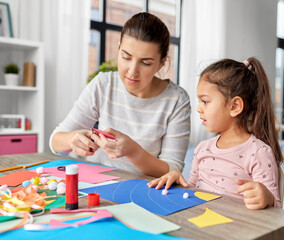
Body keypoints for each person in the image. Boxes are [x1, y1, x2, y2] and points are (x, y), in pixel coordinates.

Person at [50, 12, 191, 178]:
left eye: (145, 63)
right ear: (118, 49)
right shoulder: (103, 85)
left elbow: (173, 169)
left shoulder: (177, 100)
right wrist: (72, 139)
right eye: (126, 57)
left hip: (150, 190)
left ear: (161, 63)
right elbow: (55, 141)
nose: (132, 71)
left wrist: (133, 151)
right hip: (104, 183)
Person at [148, 58, 283, 209]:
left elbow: (276, 208)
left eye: (205, 101)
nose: (199, 108)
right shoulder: (202, 148)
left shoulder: (258, 152)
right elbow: (193, 191)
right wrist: (178, 182)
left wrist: (266, 197)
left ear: (235, 106)